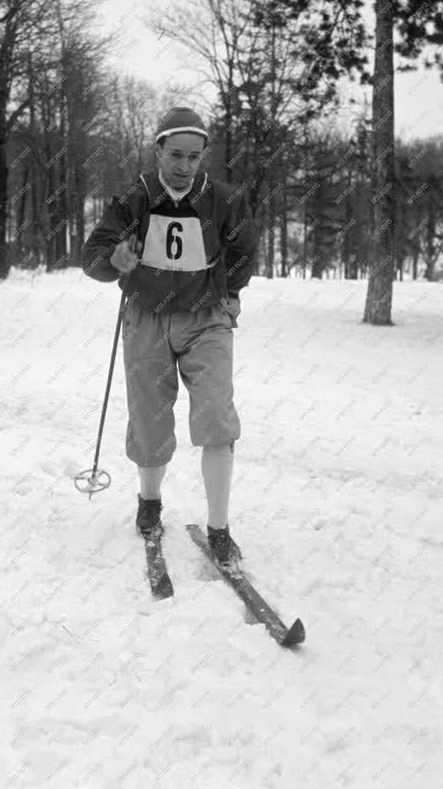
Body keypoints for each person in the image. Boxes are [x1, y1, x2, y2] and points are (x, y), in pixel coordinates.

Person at [82, 106, 257, 565]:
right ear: (158, 149)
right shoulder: (134, 197)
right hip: (146, 317)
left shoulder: (223, 199)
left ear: (203, 158)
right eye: (175, 155)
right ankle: (149, 500)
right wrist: (113, 261)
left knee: (217, 416)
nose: (184, 166)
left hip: (206, 318)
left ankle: (219, 528)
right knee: (150, 418)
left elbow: (243, 250)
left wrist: (231, 291)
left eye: (194, 157)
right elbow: (94, 253)